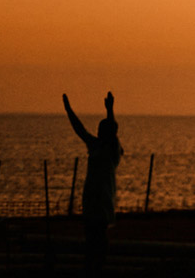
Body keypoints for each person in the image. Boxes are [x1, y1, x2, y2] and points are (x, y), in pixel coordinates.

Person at [63, 92, 121, 272]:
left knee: (99, 236)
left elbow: (112, 131)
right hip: (91, 199)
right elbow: (80, 129)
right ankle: (91, 266)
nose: (98, 132)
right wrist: (69, 110)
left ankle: (98, 266)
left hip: (103, 201)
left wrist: (110, 110)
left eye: (101, 130)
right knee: (90, 237)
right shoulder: (95, 146)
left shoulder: (113, 151)